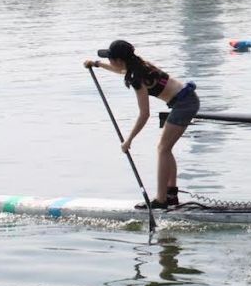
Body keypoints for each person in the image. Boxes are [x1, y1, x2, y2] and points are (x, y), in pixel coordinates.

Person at [84, 40, 199, 208]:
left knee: (163, 149)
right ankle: (171, 195)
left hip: (184, 104)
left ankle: (161, 200)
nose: (109, 61)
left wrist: (128, 140)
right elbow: (120, 69)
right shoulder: (138, 64)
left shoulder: (137, 79)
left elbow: (144, 114)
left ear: (119, 60)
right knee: (166, 149)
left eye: (110, 58)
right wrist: (96, 64)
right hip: (185, 101)